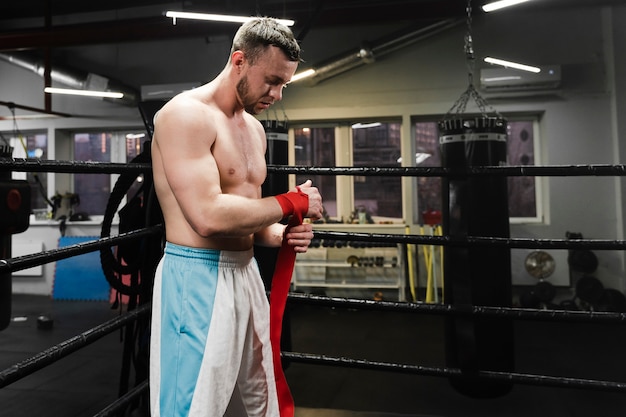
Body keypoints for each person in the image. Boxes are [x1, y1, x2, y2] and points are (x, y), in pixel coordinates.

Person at [149, 17, 323, 417]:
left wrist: (279, 234)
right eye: (272, 80)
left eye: (285, 84)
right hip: (196, 278)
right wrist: (292, 203)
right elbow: (208, 216)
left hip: (246, 275)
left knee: (257, 400)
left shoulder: (253, 130)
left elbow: (252, 216)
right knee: (192, 406)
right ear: (240, 60)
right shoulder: (185, 116)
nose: (277, 94)